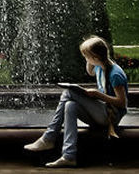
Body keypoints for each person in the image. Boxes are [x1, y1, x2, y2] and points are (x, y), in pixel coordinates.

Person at [24, 35, 128, 168]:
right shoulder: (100, 66)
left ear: (95, 57)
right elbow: (90, 72)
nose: (85, 59)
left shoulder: (115, 74)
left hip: (111, 116)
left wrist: (97, 95)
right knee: (70, 105)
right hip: (102, 111)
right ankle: (69, 156)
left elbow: (121, 102)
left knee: (68, 92)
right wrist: (90, 60)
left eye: (86, 56)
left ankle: (49, 138)